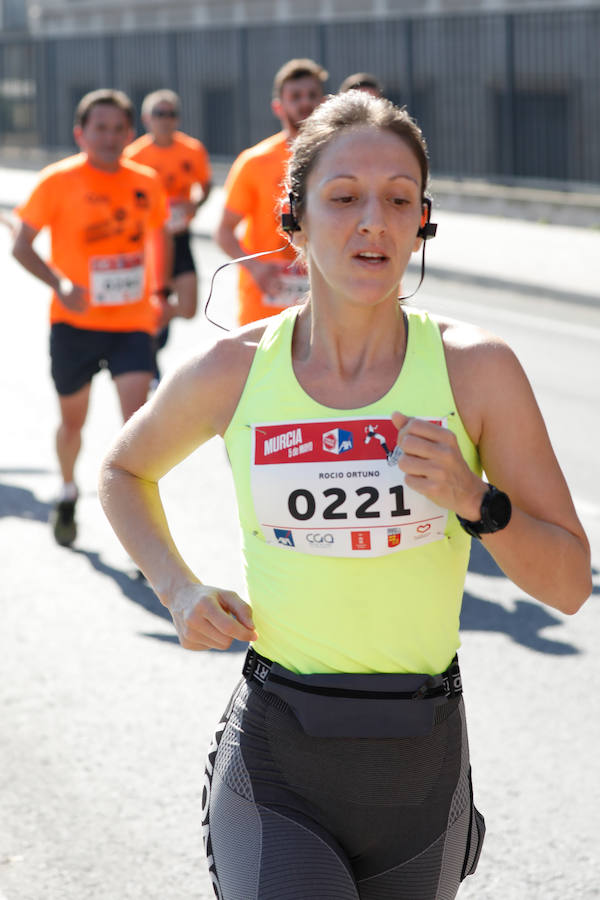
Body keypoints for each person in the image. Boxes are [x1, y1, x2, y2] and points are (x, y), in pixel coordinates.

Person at [99, 92, 592, 899]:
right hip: (281, 759)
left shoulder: (477, 371)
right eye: (345, 197)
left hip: (421, 769)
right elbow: (124, 470)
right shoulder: (236, 369)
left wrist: (477, 499)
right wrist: (178, 588)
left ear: (423, 222)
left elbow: (570, 584)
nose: (375, 220)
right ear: (293, 221)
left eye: (400, 199)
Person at [12, 88, 171, 547]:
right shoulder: (57, 181)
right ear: (81, 133)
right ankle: (66, 490)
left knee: (137, 425)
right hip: (74, 324)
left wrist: (159, 292)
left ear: (130, 133)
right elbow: (21, 246)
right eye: (99, 128)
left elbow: (159, 239)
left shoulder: (146, 182)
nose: (109, 136)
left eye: (117, 128)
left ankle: (142, 534)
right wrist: (60, 284)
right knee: (73, 421)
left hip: (132, 325)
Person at [215, 57, 327, 326]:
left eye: (312, 95)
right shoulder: (255, 161)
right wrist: (256, 268)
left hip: (324, 307)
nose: (305, 102)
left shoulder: (340, 159)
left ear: (324, 102)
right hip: (264, 308)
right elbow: (224, 232)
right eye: (296, 96)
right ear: (279, 106)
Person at [124, 89, 212, 376]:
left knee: (188, 308)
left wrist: (195, 204)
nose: (165, 120)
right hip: (149, 244)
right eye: (159, 114)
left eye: (171, 114)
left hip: (179, 237)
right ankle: (147, 357)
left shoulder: (191, 149)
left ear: (178, 119)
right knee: (153, 302)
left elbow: (206, 184)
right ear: (147, 119)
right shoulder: (135, 155)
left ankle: (157, 326)